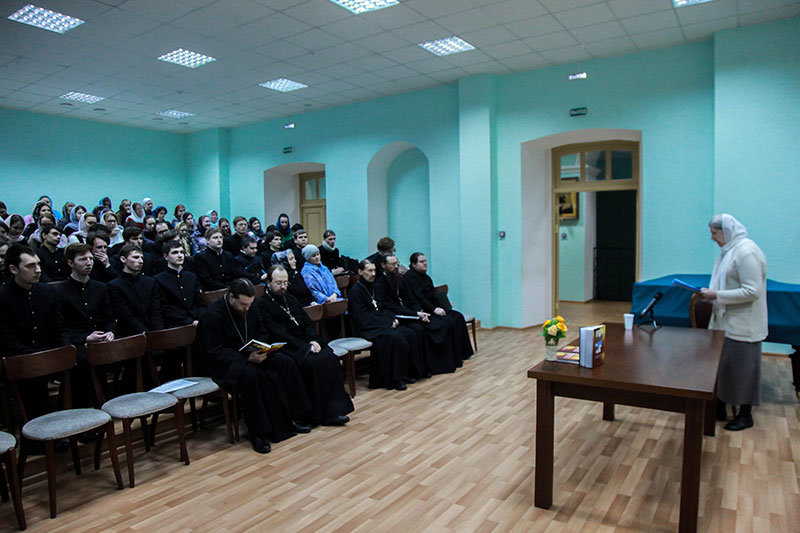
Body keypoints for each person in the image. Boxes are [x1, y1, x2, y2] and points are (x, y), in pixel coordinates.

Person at [199, 278, 312, 453]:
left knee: (285, 363)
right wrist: (245, 357)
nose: (247, 308)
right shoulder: (212, 316)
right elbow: (213, 351)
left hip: (253, 356)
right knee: (253, 376)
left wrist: (262, 349)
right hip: (227, 364)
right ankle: (259, 434)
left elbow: (261, 331)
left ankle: (292, 418)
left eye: (250, 304)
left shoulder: (251, 308)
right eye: (243, 304)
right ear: (231, 297)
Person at [257, 265, 353, 426]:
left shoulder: (291, 299)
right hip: (288, 348)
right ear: (268, 283)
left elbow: (307, 324)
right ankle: (316, 414)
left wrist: (314, 340)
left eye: (285, 283)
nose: (283, 287)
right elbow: (277, 332)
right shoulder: (261, 306)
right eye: (278, 283)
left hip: (305, 343)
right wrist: (305, 347)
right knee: (314, 363)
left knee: (329, 357)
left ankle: (334, 410)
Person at [700, 214, 767, 431]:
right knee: (724, 368)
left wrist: (717, 295)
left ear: (726, 231)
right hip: (725, 321)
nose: (712, 238)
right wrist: (712, 293)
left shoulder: (746, 251)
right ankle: (719, 407)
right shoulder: (729, 251)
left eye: (714, 233)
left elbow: (752, 291)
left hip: (743, 323)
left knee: (743, 371)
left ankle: (745, 415)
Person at [0, 245, 69, 418]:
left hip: (48, 353)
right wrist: (39, 358)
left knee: (77, 368)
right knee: (33, 386)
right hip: (21, 359)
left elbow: (58, 326)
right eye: (30, 266)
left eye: (38, 264)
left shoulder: (47, 291)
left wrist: (64, 351)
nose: (38, 270)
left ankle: (70, 423)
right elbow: (7, 340)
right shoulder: (3, 297)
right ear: (13, 269)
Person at [348, 259, 425, 390]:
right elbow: (362, 317)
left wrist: (391, 320)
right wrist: (386, 323)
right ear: (360, 272)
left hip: (380, 324)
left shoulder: (374, 287)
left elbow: (384, 307)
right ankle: (393, 379)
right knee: (395, 337)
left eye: (374, 270)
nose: (373, 274)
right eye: (369, 271)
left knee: (409, 333)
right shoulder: (355, 292)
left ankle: (405, 373)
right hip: (366, 328)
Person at [55, 243, 116, 407]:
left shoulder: (100, 288)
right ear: (70, 263)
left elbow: (109, 318)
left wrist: (110, 332)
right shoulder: (59, 291)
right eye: (83, 259)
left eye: (90, 259)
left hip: (100, 345)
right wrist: (85, 338)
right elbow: (60, 327)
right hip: (77, 347)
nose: (89, 263)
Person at [379, 253, 459, 374]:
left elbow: (411, 299)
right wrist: (416, 314)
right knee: (423, 329)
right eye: (392, 264)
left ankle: (439, 365)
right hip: (397, 316)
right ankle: (424, 368)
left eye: (397, 264)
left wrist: (419, 311)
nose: (396, 267)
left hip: (411, 313)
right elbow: (390, 306)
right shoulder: (380, 284)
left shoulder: (400, 280)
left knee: (443, 323)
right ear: (383, 265)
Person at [404, 252, 474, 363]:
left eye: (425, 261)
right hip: (424, 311)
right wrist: (434, 309)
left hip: (432, 307)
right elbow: (419, 297)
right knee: (446, 323)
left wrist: (444, 303)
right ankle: (448, 359)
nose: (425, 263)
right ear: (413, 264)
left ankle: (461, 353)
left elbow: (432, 294)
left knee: (458, 317)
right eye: (421, 262)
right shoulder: (410, 277)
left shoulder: (425, 276)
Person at [108, 244, 164, 337]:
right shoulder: (114, 285)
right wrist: (144, 332)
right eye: (136, 257)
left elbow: (156, 309)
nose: (141, 261)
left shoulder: (151, 282)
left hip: (154, 331)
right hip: (130, 334)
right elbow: (124, 313)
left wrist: (157, 331)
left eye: (142, 258)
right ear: (123, 259)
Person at [155, 240, 203, 328]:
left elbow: (199, 303)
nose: (180, 255)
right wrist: (189, 322)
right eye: (175, 252)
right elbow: (165, 309)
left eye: (182, 252)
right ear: (166, 256)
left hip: (197, 321)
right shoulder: (158, 280)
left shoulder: (192, 277)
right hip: (175, 325)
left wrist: (200, 318)